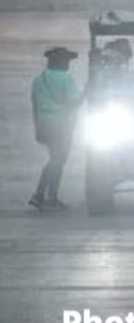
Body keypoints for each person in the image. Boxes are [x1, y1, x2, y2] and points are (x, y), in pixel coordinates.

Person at [29, 46, 81, 211]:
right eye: (67, 61)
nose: (69, 64)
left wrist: (37, 128)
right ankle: (39, 194)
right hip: (61, 125)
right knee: (57, 160)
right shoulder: (67, 79)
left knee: (56, 160)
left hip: (44, 124)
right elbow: (74, 103)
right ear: (61, 62)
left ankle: (51, 197)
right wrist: (87, 93)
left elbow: (35, 106)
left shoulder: (39, 79)